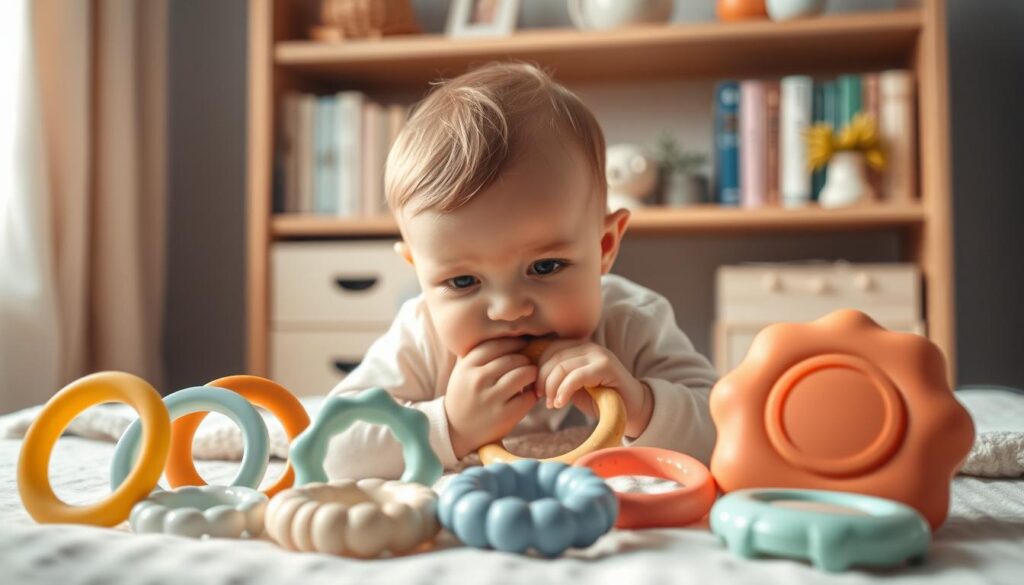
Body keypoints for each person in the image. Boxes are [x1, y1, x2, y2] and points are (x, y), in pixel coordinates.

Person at [323, 62, 717, 481]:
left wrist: (640, 406)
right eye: (462, 281)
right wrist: (451, 425)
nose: (508, 310)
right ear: (419, 271)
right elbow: (333, 450)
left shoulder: (633, 319)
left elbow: (727, 432)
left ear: (604, 246)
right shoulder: (422, 336)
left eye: (544, 267)